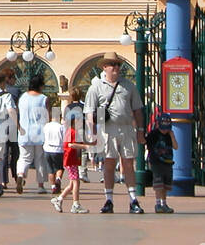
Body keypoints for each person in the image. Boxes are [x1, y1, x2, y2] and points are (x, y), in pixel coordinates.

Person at [84, 53, 145, 214]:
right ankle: (108, 200)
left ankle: (133, 200)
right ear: (105, 67)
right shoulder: (96, 87)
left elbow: (137, 110)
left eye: (118, 64)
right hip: (107, 129)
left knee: (128, 164)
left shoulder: (128, 86)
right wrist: (93, 134)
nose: (116, 67)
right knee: (109, 164)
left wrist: (140, 130)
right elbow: (89, 112)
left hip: (126, 128)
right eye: (112, 64)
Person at [54, 101, 94, 213]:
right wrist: (85, 146)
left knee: (72, 184)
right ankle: (75, 204)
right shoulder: (71, 132)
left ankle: (59, 199)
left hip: (73, 159)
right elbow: (71, 145)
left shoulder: (74, 131)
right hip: (70, 159)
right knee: (76, 182)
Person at [16, 74, 51, 193]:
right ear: (41, 85)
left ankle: (20, 174)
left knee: (24, 157)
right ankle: (40, 185)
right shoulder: (44, 98)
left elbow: (17, 112)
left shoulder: (23, 97)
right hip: (40, 133)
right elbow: (48, 116)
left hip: (24, 132)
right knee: (40, 159)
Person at [145, 111, 178, 213]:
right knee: (159, 184)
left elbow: (176, 147)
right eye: (163, 128)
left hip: (168, 162)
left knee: (166, 185)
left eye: (167, 129)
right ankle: (158, 204)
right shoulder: (153, 134)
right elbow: (145, 142)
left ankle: (164, 203)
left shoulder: (169, 135)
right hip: (156, 162)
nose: (164, 131)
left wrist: (172, 135)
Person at [43, 104, 65, 195]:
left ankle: (53, 186)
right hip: (58, 149)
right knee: (60, 167)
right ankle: (58, 179)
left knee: (50, 169)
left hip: (48, 149)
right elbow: (64, 138)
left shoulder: (46, 126)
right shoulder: (61, 127)